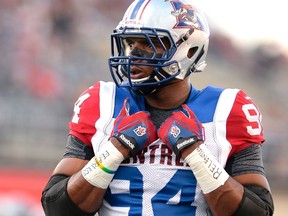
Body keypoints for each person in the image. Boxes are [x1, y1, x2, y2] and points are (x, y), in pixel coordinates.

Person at [41, 0, 274, 215]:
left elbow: (258, 210)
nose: (134, 54)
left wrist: (196, 154)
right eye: (130, 43)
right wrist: (113, 152)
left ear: (189, 51)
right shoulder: (101, 102)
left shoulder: (227, 110)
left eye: (150, 44)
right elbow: (57, 207)